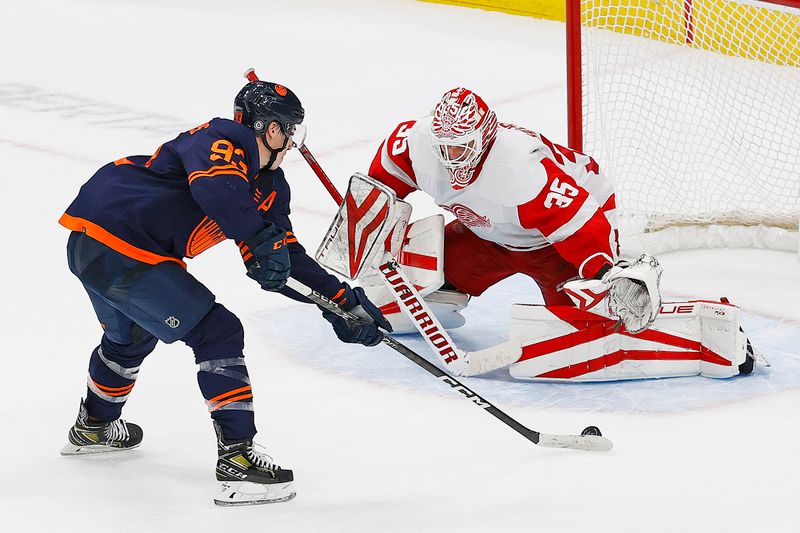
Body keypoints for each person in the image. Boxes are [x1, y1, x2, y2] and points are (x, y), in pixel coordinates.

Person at [58, 77, 390, 506]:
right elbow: (214, 188)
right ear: (271, 129)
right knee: (218, 332)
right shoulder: (222, 140)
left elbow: (284, 256)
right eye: (289, 131)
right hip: (122, 241)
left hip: (97, 245)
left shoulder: (269, 185)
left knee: (130, 340)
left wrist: (339, 303)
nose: (290, 143)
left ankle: (93, 427)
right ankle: (237, 460)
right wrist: (257, 240)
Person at [367, 87, 619, 323]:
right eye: (443, 146)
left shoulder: (521, 168)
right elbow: (378, 190)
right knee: (417, 273)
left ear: (485, 137)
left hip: (553, 245)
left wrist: (604, 273)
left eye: (459, 146)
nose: (450, 156)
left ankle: (603, 309)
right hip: (487, 234)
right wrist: (366, 224)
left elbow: (579, 222)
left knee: (580, 320)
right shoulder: (415, 142)